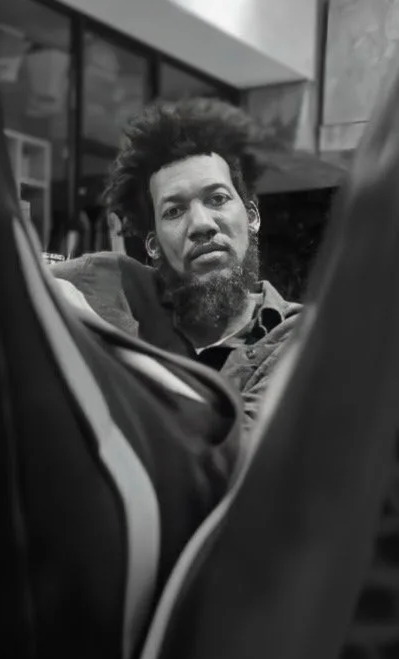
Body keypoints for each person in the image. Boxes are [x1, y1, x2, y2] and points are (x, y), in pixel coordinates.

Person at [51, 97, 303, 427]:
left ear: (252, 217)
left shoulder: (297, 336)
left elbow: (232, 457)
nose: (201, 224)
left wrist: (111, 349)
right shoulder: (116, 285)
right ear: (153, 245)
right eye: (174, 211)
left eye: (217, 199)